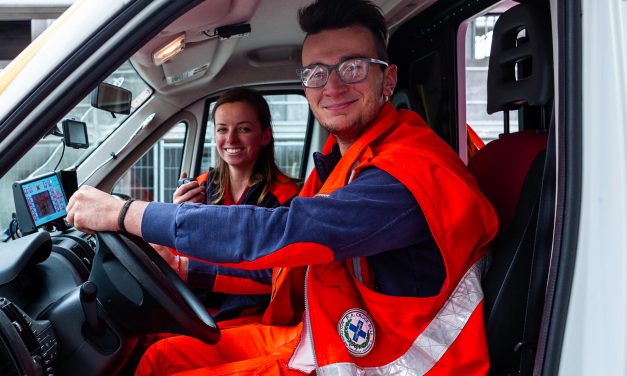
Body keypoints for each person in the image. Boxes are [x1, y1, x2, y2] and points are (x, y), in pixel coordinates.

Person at [66, 0, 499, 374]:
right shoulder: (344, 162)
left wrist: (125, 214)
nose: (332, 86)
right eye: (316, 72)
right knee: (160, 359)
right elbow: (280, 266)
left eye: (352, 67)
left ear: (387, 80)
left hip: (388, 364)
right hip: (325, 336)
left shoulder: (407, 172)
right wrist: (185, 268)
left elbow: (276, 233)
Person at [158, 87, 300, 322]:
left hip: (253, 318)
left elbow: (274, 277)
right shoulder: (201, 186)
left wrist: (189, 268)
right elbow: (175, 251)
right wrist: (177, 215)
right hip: (198, 310)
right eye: (223, 129)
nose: (231, 139)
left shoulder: (286, 198)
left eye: (244, 129)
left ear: (265, 135)